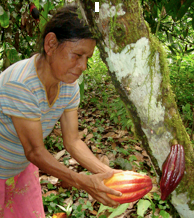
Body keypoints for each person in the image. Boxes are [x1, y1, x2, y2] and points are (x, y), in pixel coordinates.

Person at [0, 5, 122, 218]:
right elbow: (35, 151)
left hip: (20, 169)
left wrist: (108, 174)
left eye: (88, 58)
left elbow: (73, 141)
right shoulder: (21, 84)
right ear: (51, 44)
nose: (83, 66)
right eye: (77, 55)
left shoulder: (69, 86)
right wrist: (83, 181)